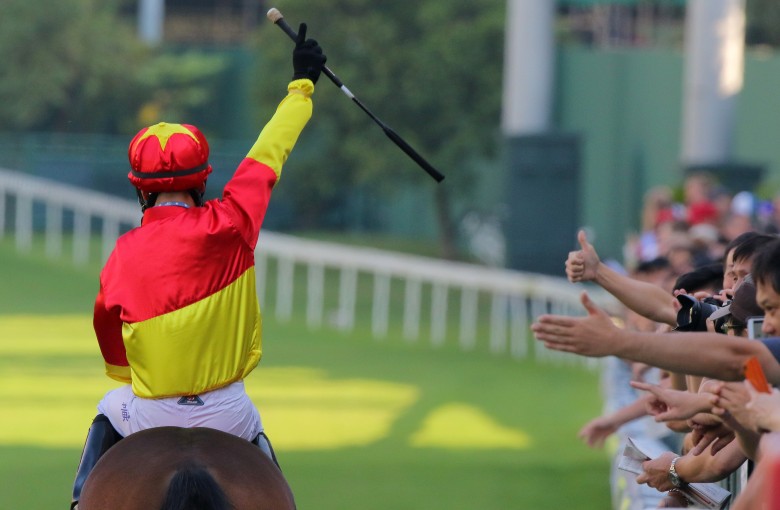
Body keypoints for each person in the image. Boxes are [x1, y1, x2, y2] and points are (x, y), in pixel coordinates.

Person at [70, 24, 327, 509]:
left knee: (108, 412)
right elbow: (269, 154)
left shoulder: (125, 250)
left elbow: (109, 332)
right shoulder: (235, 221)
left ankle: (80, 501)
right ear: (202, 181)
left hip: (148, 414)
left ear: (140, 188)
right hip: (230, 412)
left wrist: (127, 374)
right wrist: (301, 87)